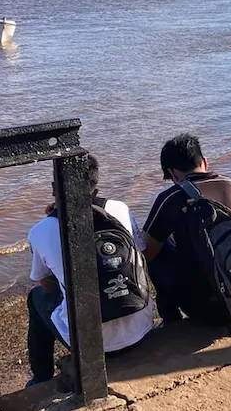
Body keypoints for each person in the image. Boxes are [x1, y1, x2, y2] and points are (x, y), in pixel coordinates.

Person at [26, 155, 154, 386]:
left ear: (54, 188)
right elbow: (140, 253)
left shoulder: (41, 230)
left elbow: (45, 284)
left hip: (93, 347)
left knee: (35, 299)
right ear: (95, 189)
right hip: (142, 329)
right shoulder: (120, 208)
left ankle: (41, 378)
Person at [142, 134, 231, 323]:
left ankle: (171, 320)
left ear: (172, 174)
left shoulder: (170, 198)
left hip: (204, 306)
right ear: (204, 162)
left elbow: (148, 253)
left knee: (155, 246)